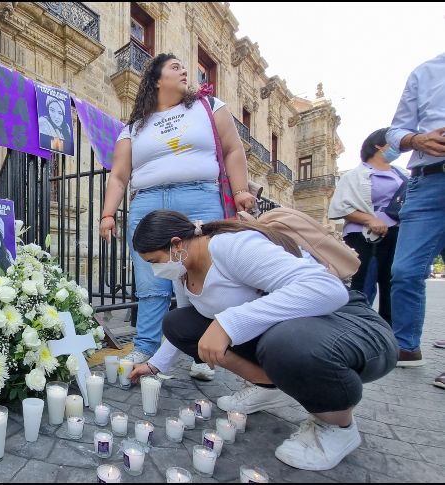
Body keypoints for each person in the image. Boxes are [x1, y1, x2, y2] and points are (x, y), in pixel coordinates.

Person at [128, 210, 397, 471]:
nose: (155, 270)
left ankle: (337, 426)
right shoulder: (183, 269)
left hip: (342, 325)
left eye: (155, 261)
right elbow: (187, 323)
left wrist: (228, 323)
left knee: (284, 343)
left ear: (176, 244)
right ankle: (269, 386)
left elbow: (327, 290)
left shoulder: (229, 246)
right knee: (178, 322)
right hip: (285, 329)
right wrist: (155, 365)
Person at [99, 53, 256, 375]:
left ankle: (204, 354)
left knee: (206, 273)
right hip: (148, 201)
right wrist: (107, 214)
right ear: (157, 79)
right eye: (175, 67)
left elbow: (232, 149)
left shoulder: (209, 106)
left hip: (200, 197)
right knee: (151, 279)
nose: (185, 71)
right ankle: (146, 345)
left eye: (184, 67)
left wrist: (241, 190)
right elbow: (119, 175)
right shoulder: (133, 128)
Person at [385, 51, 445, 389]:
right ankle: (406, 345)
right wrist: (416, 139)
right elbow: (396, 131)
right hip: (427, 180)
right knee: (405, 270)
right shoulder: (425, 72)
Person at [328, 128, 405, 325]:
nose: (399, 146)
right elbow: (340, 207)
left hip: (398, 233)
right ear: (379, 145)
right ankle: (357, 325)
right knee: (362, 283)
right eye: (393, 142)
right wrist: (369, 219)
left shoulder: (402, 175)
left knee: (393, 283)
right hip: (363, 236)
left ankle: (389, 328)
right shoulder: (355, 175)